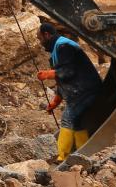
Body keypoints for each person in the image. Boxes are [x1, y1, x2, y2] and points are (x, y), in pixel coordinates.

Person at [36, 22, 103, 161]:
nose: (40, 43)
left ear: (47, 35)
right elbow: (64, 80)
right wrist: (56, 101)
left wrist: (48, 74)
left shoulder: (64, 46)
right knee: (78, 122)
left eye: (40, 39)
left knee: (67, 119)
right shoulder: (57, 49)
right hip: (82, 91)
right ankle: (84, 153)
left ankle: (61, 156)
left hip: (86, 89)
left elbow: (68, 71)